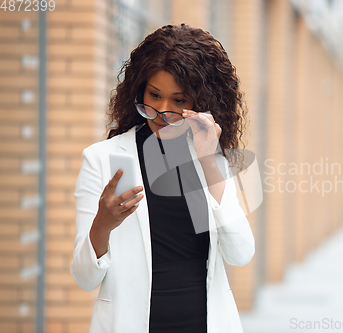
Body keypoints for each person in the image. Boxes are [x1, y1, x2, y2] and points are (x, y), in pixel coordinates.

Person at [70, 23, 255, 333]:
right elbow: (84, 278)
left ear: (202, 102)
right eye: (153, 95)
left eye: (178, 101)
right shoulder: (101, 159)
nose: (160, 111)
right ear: (138, 88)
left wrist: (210, 163)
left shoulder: (210, 158)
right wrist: (102, 224)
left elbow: (240, 254)